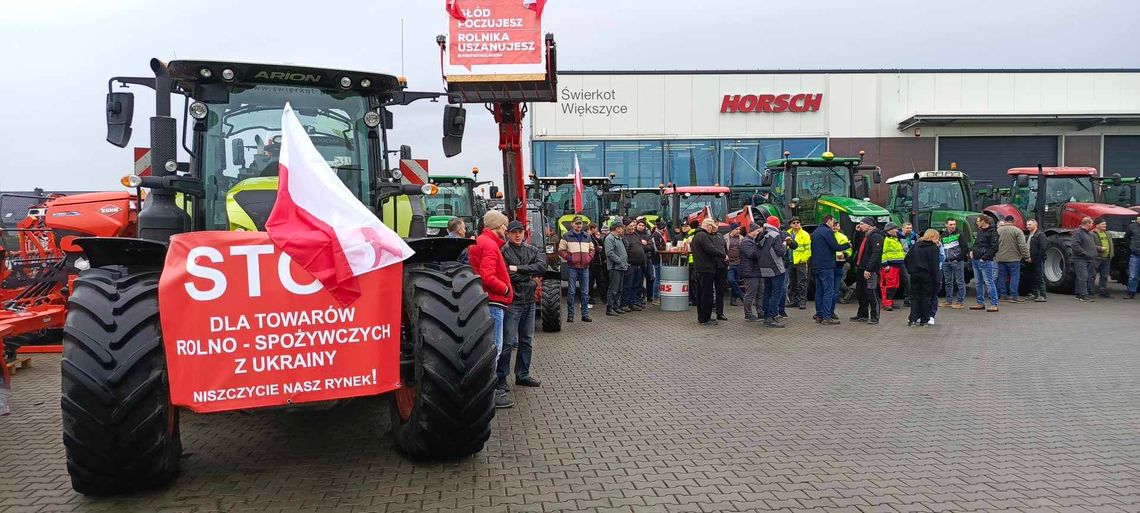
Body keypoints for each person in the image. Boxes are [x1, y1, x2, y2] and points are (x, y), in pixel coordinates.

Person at [468, 210, 515, 409]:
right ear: (496, 225)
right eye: (504, 225)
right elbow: (487, 276)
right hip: (495, 301)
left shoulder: (482, 242)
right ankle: (491, 392)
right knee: (494, 348)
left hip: (491, 300)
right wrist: (504, 288)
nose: (506, 228)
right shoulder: (489, 245)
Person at [499, 221, 546, 393]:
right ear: (508, 234)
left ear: (524, 233)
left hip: (529, 302)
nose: (517, 235)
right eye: (514, 232)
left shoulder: (532, 250)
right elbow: (508, 276)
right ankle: (501, 378)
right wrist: (530, 277)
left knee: (526, 341)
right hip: (513, 303)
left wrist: (518, 269)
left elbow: (542, 267)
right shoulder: (503, 251)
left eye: (520, 232)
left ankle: (523, 374)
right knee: (508, 342)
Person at [809, 215, 849, 325]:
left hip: (816, 265)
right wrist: (847, 244)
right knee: (828, 291)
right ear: (829, 220)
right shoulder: (828, 232)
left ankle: (819, 315)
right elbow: (835, 247)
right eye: (833, 221)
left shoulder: (816, 232)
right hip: (826, 266)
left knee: (819, 291)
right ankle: (826, 317)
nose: (834, 224)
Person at [558, 216, 594, 322]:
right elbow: (561, 250)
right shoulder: (566, 236)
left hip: (585, 267)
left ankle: (585, 315)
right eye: (577, 223)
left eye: (580, 224)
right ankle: (570, 315)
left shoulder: (587, 236)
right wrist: (570, 258)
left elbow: (592, 249)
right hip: (572, 267)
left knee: (585, 292)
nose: (579, 225)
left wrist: (588, 258)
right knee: (571, 292)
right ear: (572, 224)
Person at [691, 218, 726, 325]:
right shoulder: (703, 236)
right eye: (712, 227)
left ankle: (702, 316)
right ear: (709, 226)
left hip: (699, 268)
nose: (713, 230)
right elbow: (710, 249)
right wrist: (723, 255)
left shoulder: (696, 236)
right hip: (706, 268)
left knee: (701, 293)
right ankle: (705, 318)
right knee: (707, 294)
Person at [904, 229, 942, 326]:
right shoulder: (933, 248)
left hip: (915, 274)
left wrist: (911, 270)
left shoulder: (916, 245)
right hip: (927, 275)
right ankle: (925, 319)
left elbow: (907, 258)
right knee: (926, 297)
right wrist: (937, 279)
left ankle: (913, 318)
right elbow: (935, 265)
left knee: (915, 296)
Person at [851, 217, 884, 325]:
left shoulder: (876, 236)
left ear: (869, 225)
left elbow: (876, 253)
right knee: (861, 292)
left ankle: (875, 316)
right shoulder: (865, 236)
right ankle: (862, 314)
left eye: (862, 224)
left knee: (871, 292)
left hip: (870, 269)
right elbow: (855, 245)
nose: (860, 226)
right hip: (861, 267)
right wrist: (856, 232)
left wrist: (869, 268)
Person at [759, 216, 791, 327]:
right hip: (776, 268)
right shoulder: (775, 235)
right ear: (776, 224)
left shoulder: (762, 234)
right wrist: (785, 244)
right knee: (777, 293)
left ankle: (766, 315)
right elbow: (780, 251)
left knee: (767, 292)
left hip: (764, 267)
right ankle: (772, 316)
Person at [995, 215, 1030, 303]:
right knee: (1014, 277)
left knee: (1001, 277)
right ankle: (1014, 295)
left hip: (1000, 258)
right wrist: (1026, 256)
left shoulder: (998, 230)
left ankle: (1002, 295)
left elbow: (994, 244)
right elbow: (1022, 245)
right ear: (1013, 221)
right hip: (1013, 258)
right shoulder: (1017, 231)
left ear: (1005, 221)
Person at [968, 215, 1000, 311]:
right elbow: (976, 243)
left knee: (989, 282)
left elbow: (995, 247)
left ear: (983, 221)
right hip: (976, 259)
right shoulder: (980, 231)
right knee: (978, 283)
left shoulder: (993, 233)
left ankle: (994, 304)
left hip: (985, 261)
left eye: (978, 221)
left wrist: (985, 257)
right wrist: (971, 250)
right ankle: (980, 303)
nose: (977, 223)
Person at [940, 219, 969, 309]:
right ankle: (949, 300)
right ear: (946, 225)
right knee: (948, 281)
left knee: (960, 281)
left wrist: (958, 258)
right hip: (946, 261)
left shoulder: (960, 234)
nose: (953, 226)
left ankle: (960, 302)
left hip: (956, 261)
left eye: (954, 224)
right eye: (950, 224)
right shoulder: (943, 235)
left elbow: (965, 248)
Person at [738, 223, 765, 322]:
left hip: (757, 271)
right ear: (752, 231)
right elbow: (751, 254)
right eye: (758, 231)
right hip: (750, 272)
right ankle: (748, 314)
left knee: (760, 293)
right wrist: (762, 249)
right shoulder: (746, 242)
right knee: (750, 294)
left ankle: (760, 312)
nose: (759, 233)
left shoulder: (752, 241)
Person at [1070, 217, 1099, 302]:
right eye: (1091, 223)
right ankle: (1083, 295)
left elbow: (1091, 245)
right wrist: (1085, 253)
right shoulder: (1078, 232)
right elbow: (1075, 245)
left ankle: (1079, 294)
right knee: (1083, 276)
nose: (1092, 225)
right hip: (1081, 259)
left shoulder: (1090, 234)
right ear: (1087, 223)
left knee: (1082, 277)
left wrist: (1098, 249)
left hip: (1089, 259)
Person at [786, 218, 811, 310]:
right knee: (792, 283)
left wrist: (803, 259)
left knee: (802, 282)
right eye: (794, 223)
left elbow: (808, 250)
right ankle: (795, 300)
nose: (796, 224)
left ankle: (803, 301)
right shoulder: (787, 233)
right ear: (790, 225)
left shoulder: (804, 234)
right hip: (790, 260)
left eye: (798, 222)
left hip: (800, 262)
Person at [879, 223, 906, 311]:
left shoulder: (895, 239)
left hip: (896, 266)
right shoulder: (886, 240)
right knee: (889, 286)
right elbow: (882, 253)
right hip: (890, 266)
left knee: (894, 285)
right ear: (889, 231)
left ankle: (889, 302)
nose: (897, 231)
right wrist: (885, 265)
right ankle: (887, 304)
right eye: (895, 229)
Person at [604, 222, 629, 315]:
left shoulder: (619, 238)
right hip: (615, 267)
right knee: (613, 288)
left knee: (619, 288)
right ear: (617, 228)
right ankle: (609, 308)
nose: (623, 230)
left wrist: (624, 262)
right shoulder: (610, 238)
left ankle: (616, 306)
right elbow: (609, 253)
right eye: (622, 228)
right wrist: (619, 261)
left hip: (621, 267)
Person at [622, 219, 647, 311]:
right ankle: (625, 303)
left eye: (633, 226)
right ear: (626, 227)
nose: (632, 227)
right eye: (630, 226)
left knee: (636, 285)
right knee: (627, 285)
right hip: (630, 264)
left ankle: (634, 302)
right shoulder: (624, 236)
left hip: (639, 264)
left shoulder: (636, 235)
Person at [832, 223, 852, 317]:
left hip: (840, 262)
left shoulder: (842, 236)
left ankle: (847, 290)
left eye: (837, 225)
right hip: (831, 262)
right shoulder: (828, 235)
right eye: (833, 224)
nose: (835, 226)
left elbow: (849, 249)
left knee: (838, 280)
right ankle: (840, 297)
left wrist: (844, 255)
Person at [1026, 219, 1048, 302]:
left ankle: (1043, 295)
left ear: (1035, 225)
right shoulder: (1029, 236)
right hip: (1029, 260)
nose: (1028, 226)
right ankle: (1034, 294)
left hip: (1038, 260)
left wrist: (1036, 259)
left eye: (1030, 224)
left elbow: (1043, 248)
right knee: (1032, 277)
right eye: (1027, 224)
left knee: (1040, 277)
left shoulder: (1040, 235)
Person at [711, 224, 730, 321]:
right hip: (711, 266)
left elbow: (725, 249)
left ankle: (720, 312)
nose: (716, 228)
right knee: (709, 290)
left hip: (722, 266)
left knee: (720, 291)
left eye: (716, 226)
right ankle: (709, 312)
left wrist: (726, 257)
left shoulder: (720, 236)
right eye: (713, 226)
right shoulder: (706, 237)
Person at [636, 219, 656, 307]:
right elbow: (636, 247)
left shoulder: (648, 236)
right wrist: (642, 244)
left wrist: (644, 246)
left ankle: (650, 295)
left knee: (650, 277)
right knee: (639, 279)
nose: (641, 227)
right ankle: (640, 297)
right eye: (639, 225)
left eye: (642, 225)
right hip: (639, 259)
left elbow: (651, 247)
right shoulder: (635, 235)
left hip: (648, 259)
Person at [1092, 218, 1114, 298]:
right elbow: (1090, 245)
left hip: (1107, 258)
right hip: (1097, 258)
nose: (1105, 225)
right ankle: (1091, 291)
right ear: (1097, 225)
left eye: (1105, 224)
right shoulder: (1092, 234)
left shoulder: (1107, 233)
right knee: (1092, 275)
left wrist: (1111, 254)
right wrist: (1100, 248)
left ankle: (1102, 291)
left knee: (1104, 276)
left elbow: (1110, 243)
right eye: (1103, 224)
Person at [725, 223, 745, 306]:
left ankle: (733, 300)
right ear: (732, 230)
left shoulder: (741, 238)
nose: (738, 231)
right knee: (731, 280)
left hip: (738, 262)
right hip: (729, 263)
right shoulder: (725, 238)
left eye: (739, 229)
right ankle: (742, 296)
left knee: (736, 281)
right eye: (736, 229)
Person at [649, 221, 669, 304]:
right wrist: (664, 247)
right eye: (663, 228)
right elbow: (656, 248)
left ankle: (658, 297)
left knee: (659, 278)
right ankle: (656, 297)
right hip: (656, 259)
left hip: (660, 259)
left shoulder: (659, 235)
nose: (664, 229)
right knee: (657, 279)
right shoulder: (655, 235)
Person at [588, 223, 606, 300]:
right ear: (592, 229)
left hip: (598, 262)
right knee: (591, 281)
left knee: (601, 280)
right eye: (595, 228)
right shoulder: (588, 237)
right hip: (592, 262)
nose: (596, 230)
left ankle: (603, 296)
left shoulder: (594, 237)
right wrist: (597, 248)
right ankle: (590, 296)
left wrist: (599, 239)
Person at [1126, 215, 1140, 300]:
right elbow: (1127, 237)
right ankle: (1131, 293)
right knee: (1133, 275)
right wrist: (1131, 247)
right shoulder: (1132, 226)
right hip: (1135, 254)